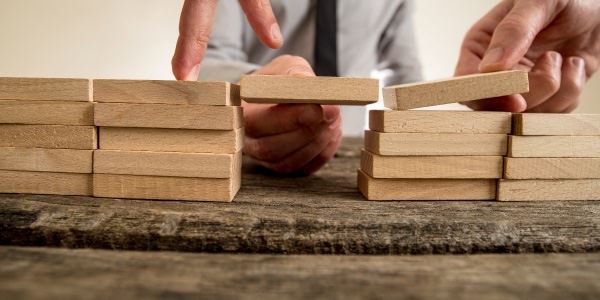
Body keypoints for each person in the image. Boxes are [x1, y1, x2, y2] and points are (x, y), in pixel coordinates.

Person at [171, 0, 600, 174]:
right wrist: (257, 94)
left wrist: (468, 106)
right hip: (259, 142)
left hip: (358, 151)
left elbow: (404, 78)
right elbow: (211, 60)